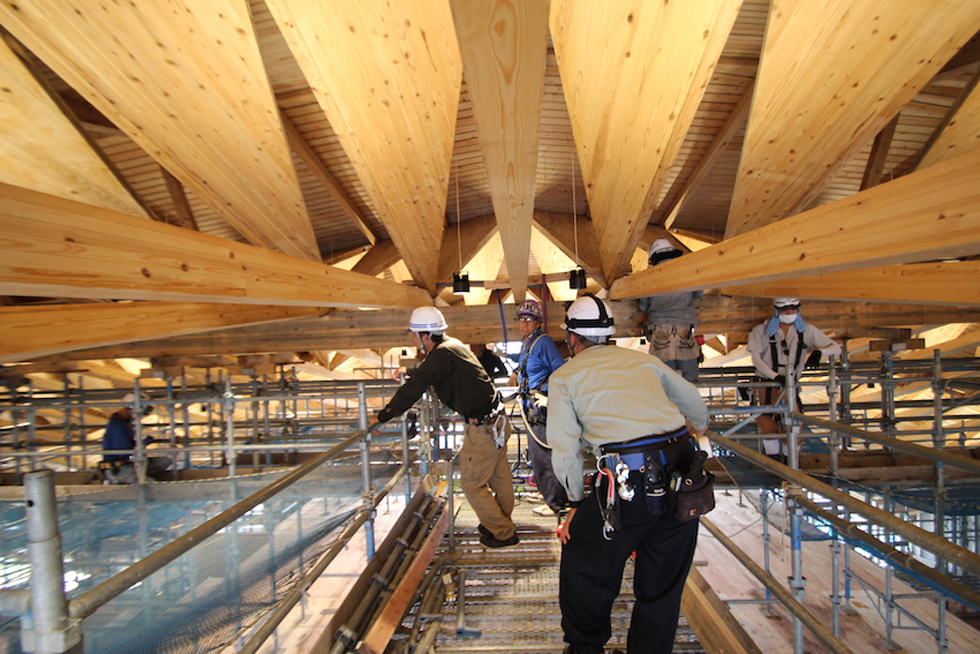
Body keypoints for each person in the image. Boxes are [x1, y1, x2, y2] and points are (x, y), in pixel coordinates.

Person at [548, 294, 710, 654]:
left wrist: (575, 502)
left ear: (573, 338)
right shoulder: (643, 363)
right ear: (609, 335)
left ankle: (586, 648)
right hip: (683, 477)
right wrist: (698, 430)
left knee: (584, 565)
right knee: (663, 584)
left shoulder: (565, 378)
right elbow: (694, 402)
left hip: (627, 485)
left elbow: (565, 450)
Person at [376, 306, 519, 549]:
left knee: (472, 485)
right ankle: (497, 522)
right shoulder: (454, 345)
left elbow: (418, 384)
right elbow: (431, 369)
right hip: (498, 422)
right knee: (499, 477)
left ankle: (504, 533)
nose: (412, 338)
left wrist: (384, 415)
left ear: (425, 336)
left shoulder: (442, 354)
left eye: (414, 334)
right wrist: (408, 370)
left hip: (482, 428)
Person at [746, 297, 842, 461]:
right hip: (765, 383)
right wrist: (775, 376)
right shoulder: (761, 330)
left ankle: (790, 461)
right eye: (785, 310)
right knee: (767, 425)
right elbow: (756, 359)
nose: (789, 313)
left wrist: (819, 352)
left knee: (794, 426)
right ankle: (774, 462)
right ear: (777, 311)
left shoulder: (805, 330)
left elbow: (836, 348)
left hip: (790, 385)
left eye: (793, 309)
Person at [514, 299, 568, 517]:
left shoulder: (543, 343)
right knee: (536, 454)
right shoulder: (527, 342)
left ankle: (554, 502)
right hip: (530, 407)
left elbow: (560, 370)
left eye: (529, 320)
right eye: (521, 319)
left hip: (541, 408)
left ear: (537, 322)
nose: (524, 324)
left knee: (545, 455)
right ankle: (545, 491)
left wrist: (547, 395)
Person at [637, 239, 703, 383]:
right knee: (689, 381)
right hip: (684, 330)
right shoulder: (688, 272)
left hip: (661, 331)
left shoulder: (648, 277)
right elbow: (698, 294)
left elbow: (643, 306)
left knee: (666, 382)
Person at [101, 393, 171, 484]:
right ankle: (128, 480)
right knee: (150, 486)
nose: (139, 416)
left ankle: (139, 476)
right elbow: (124, 452)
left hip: (128, 465)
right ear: (130, 407)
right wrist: (141, 445)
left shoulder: (124, 423)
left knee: (164, 461)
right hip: (119, 469)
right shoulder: (116, 426)